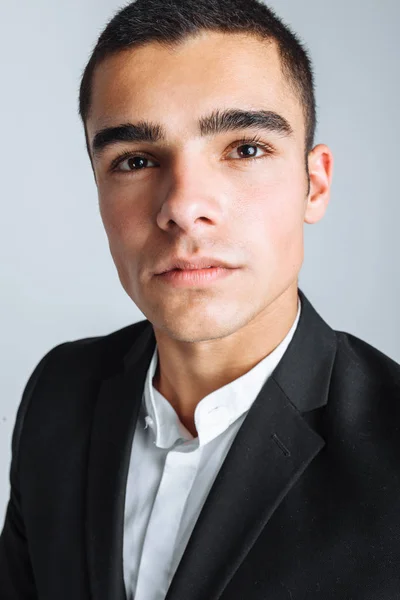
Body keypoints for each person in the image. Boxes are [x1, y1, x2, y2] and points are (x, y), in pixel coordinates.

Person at [1, 0, 399, 598]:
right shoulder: (59, 393)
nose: (183, 207)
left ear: (313, 185)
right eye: (135, 160)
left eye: (245, 149)